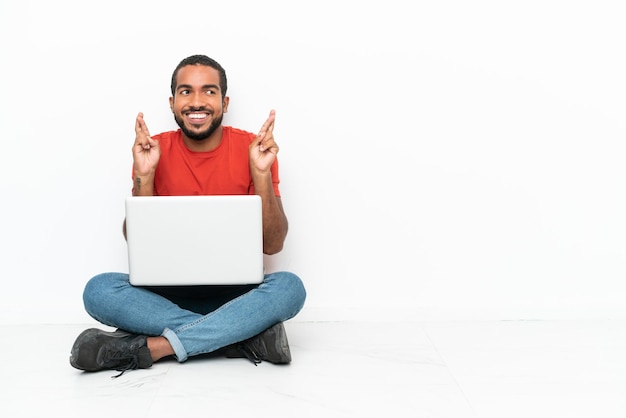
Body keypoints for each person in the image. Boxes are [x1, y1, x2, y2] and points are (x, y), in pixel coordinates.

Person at [69, 54, 306, 376]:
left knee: (289, 287)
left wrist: (261, 174)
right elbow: (136, 240)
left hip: (236, 296)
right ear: (172, 102)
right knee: (98, 290)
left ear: (224, 101)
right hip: (162, 298)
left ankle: (154, 348)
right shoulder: (152, 150)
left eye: (209, 91)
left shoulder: (255, 149)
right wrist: (145, 175)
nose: (197, 102)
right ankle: (240, 338)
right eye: (186, 91)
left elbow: (274, 245)